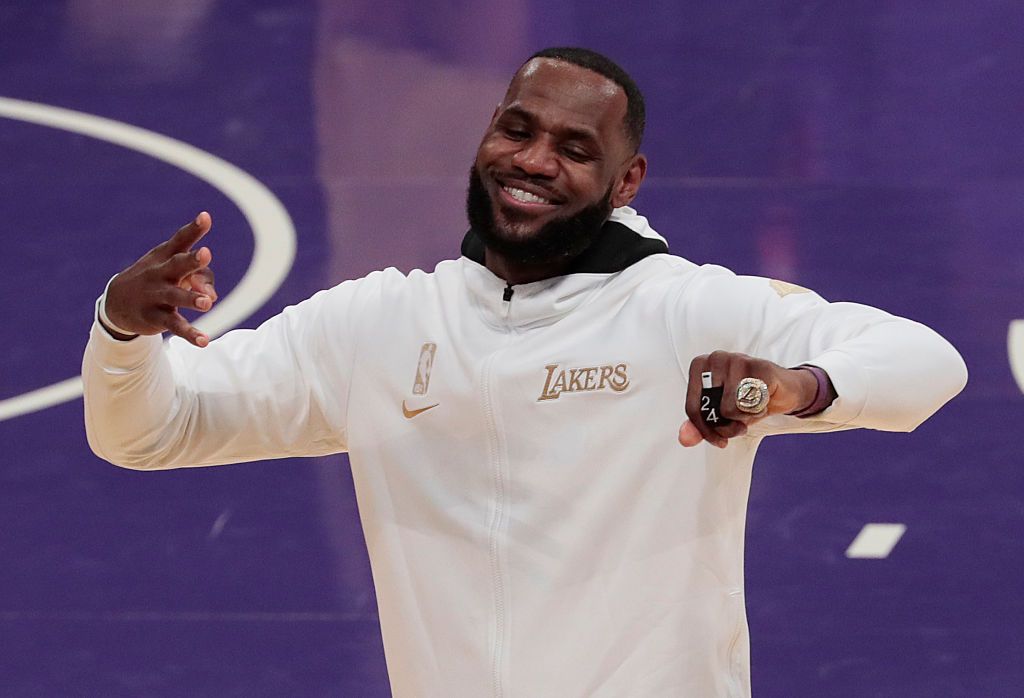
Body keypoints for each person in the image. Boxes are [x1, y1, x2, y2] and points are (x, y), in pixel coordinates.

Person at [82, 47, 967, 697]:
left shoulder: (682, 309)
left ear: (628, 181)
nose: (535, 161)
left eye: (576, 149)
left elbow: (929, 362)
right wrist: (122, 332)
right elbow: (148, 432)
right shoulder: (380, 323)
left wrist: (791, 388)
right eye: (518, 128)